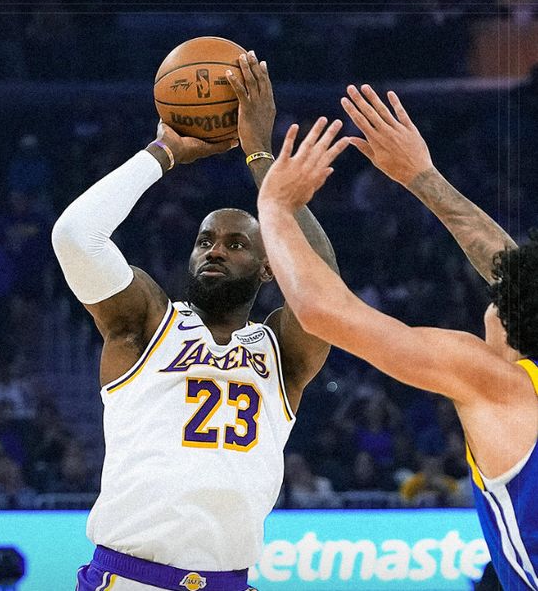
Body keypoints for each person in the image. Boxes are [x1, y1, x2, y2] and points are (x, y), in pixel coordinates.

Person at [52, 51, 338, 591]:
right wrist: (162, 153)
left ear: (270, 268)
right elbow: (75, 237)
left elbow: (324, 286)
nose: (215, 251)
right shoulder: (145, 324)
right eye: (205, 241)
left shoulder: (283, 351)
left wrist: (260, 154)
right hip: (128, 579)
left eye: (236, 244)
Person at [256, 84, 537, 590]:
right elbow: (514, 273)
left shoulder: (501, 386)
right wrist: (422, 178)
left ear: (509, 322)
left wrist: (274, 207)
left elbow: (323, 312)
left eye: (494, 302)